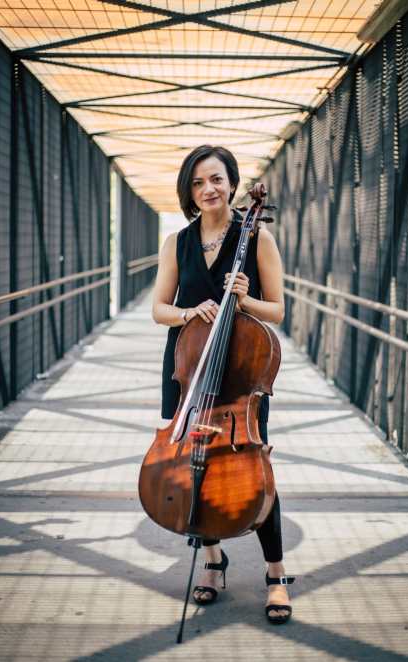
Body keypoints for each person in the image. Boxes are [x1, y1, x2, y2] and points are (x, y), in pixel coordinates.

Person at [152, 144, 294, 624]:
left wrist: (246, 299)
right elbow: (159, 309)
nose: (208, 189)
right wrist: (191, 311)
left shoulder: (258, 240)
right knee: (196, 466)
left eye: (215, 179)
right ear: (188, 191)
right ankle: (213, 563)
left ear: (232, 183)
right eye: (197, 182)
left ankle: (275, 574)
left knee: (258, 475)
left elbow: (277, 310)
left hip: (239, 378)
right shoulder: (178, 242)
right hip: (189, 369)